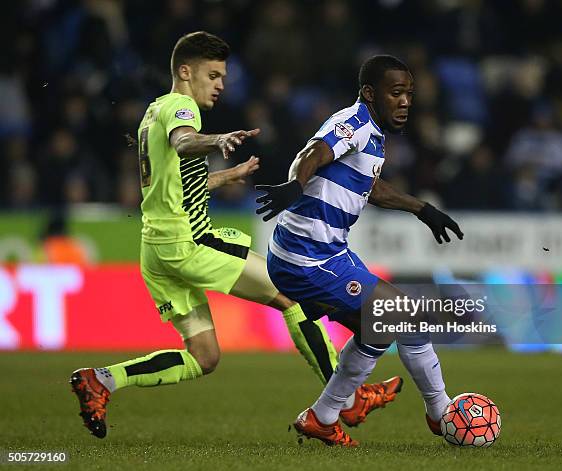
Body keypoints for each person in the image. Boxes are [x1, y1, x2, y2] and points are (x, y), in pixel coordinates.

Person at [69, 32, 399, 439]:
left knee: (204, 357)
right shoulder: (181, 108)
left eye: (222, 76)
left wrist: (228, 175)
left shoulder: (152, 111)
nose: (221, 84)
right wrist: (217, 139)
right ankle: (346, 400)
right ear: (185, 72)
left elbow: (170, 186)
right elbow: (185, 141)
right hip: (189, 241)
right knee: (291, 295)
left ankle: (101, 380)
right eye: (213, 75)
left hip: (155, 248)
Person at [256, 55, 464, 446]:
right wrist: (296, 184)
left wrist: (423, 209)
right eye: (396, 92)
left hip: (326, 252)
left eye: (409, 94)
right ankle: (442, 413)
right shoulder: (353, 124)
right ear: (370, 93)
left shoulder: (373, 133)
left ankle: (325, 415)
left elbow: (373, 188)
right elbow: (313, 154)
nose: (405, 102)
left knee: (380, 329)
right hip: (308, 258)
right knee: (405, 315)